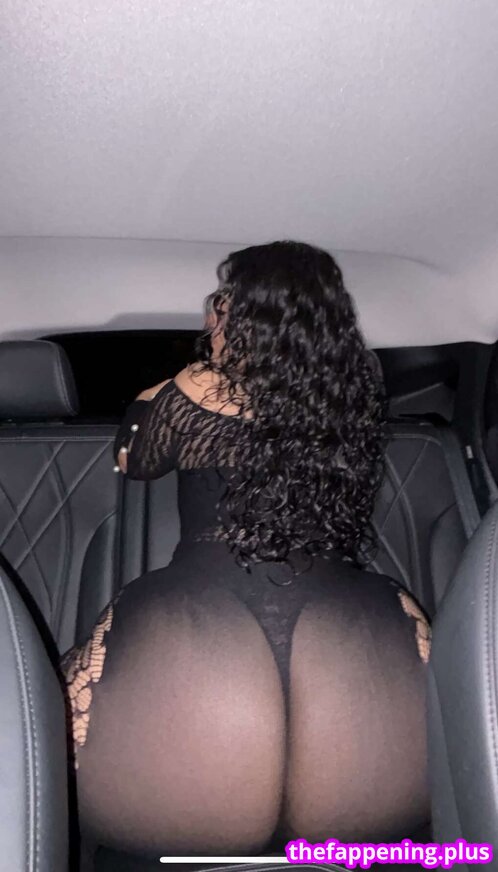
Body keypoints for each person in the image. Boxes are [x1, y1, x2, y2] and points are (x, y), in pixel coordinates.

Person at [61, 240, 431, 859]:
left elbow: (134, 459)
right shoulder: (351, 393)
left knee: (33, 702)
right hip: (359, 633)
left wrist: (177, 378)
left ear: (245, 310)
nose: (214, 310)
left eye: (223, 298)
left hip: (194, 621)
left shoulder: (201, 385)